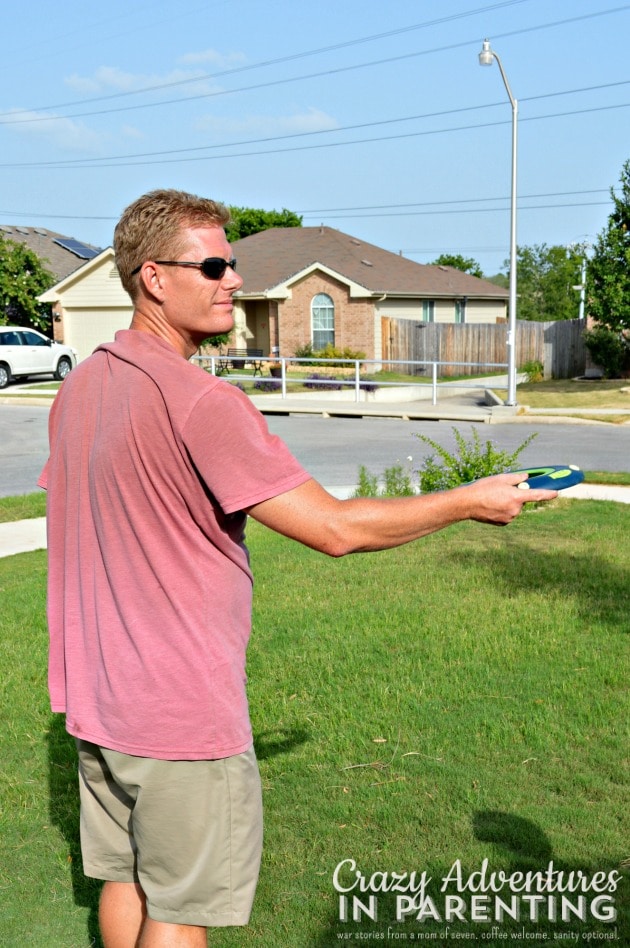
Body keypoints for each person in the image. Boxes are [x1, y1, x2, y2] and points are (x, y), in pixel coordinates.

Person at [39, 188, 556, 947]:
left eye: (234, 263)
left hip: (100, 699)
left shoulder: (83, 384)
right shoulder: (202, 402)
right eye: (212, 265)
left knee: (128, 880)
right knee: (179, 910)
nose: (233, 279)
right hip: (179, 714)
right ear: (153, 277)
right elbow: (335, 529)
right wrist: (468, 501)